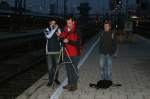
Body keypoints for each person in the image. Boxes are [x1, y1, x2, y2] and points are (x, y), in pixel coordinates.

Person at [57, 16, 80, 91]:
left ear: (73, 22)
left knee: (74, 69)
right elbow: (61, 39)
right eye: (67, 23)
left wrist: (68, 41)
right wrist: (59, 36)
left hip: (74, 54)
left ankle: (74, 84)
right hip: (66, 53)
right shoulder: (64, 29)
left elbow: (78, 43)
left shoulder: (77, 30)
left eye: (69, 23)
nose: (68, 24)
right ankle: (70, 83)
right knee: (68, 70)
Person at [99, 21, 117, 88]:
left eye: (106, 26)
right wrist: (100, 50)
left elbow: (115, 44)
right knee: (101, 67)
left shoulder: (112, 34)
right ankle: (103, 80)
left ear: (109, 27)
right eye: (104, 26)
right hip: (102, 53)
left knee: (109, 68)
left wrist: (112, 52)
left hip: (109, 54)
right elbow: (100, 42)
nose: (105, 27)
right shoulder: (102, 33)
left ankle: (109, 80)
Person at [44, 18, 61, 86]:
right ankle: (50, 81)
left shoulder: (58, 29)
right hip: (49, 52)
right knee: (50, 68)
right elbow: (48, 36)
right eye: (52, 23)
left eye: (55, 23)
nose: (53, 24)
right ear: (50, 23)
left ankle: (56, 79)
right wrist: (54, 29)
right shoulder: (47, 29)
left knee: (56, 67)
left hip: (57, 51)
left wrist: (59, 34)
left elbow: (60, 37)